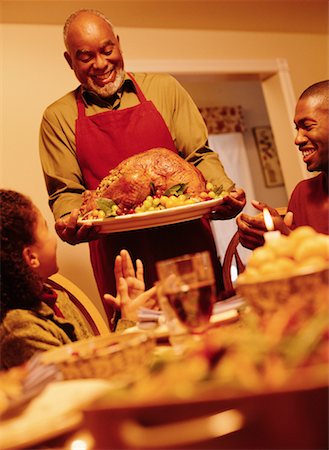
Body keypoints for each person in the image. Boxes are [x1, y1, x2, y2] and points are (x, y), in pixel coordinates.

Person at [39, 8, 246, 324]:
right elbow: (66, 194)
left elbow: (199, 156)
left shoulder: (164, 88)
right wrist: (70, 219)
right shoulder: (58, 117)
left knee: (206, 338)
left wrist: (225, 191)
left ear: (119, 45)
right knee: (142, 349)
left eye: (108, 50)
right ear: (70, 61)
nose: (101, 64)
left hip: (189, 246)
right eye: (86, 57)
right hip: (121, 263)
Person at [0, 189, 156, 369]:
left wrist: (125, 312)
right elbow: (88, 381)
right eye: (45, 228)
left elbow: (91, 358)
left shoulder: (56, 298)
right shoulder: (20, 332)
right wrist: (129, 325)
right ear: (31, 257)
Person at [237, 80, 329, 250]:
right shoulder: (303, 193)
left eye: (307, 126)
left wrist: (287, 237)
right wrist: (272, 236)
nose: (298, 139)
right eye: (297, 129)